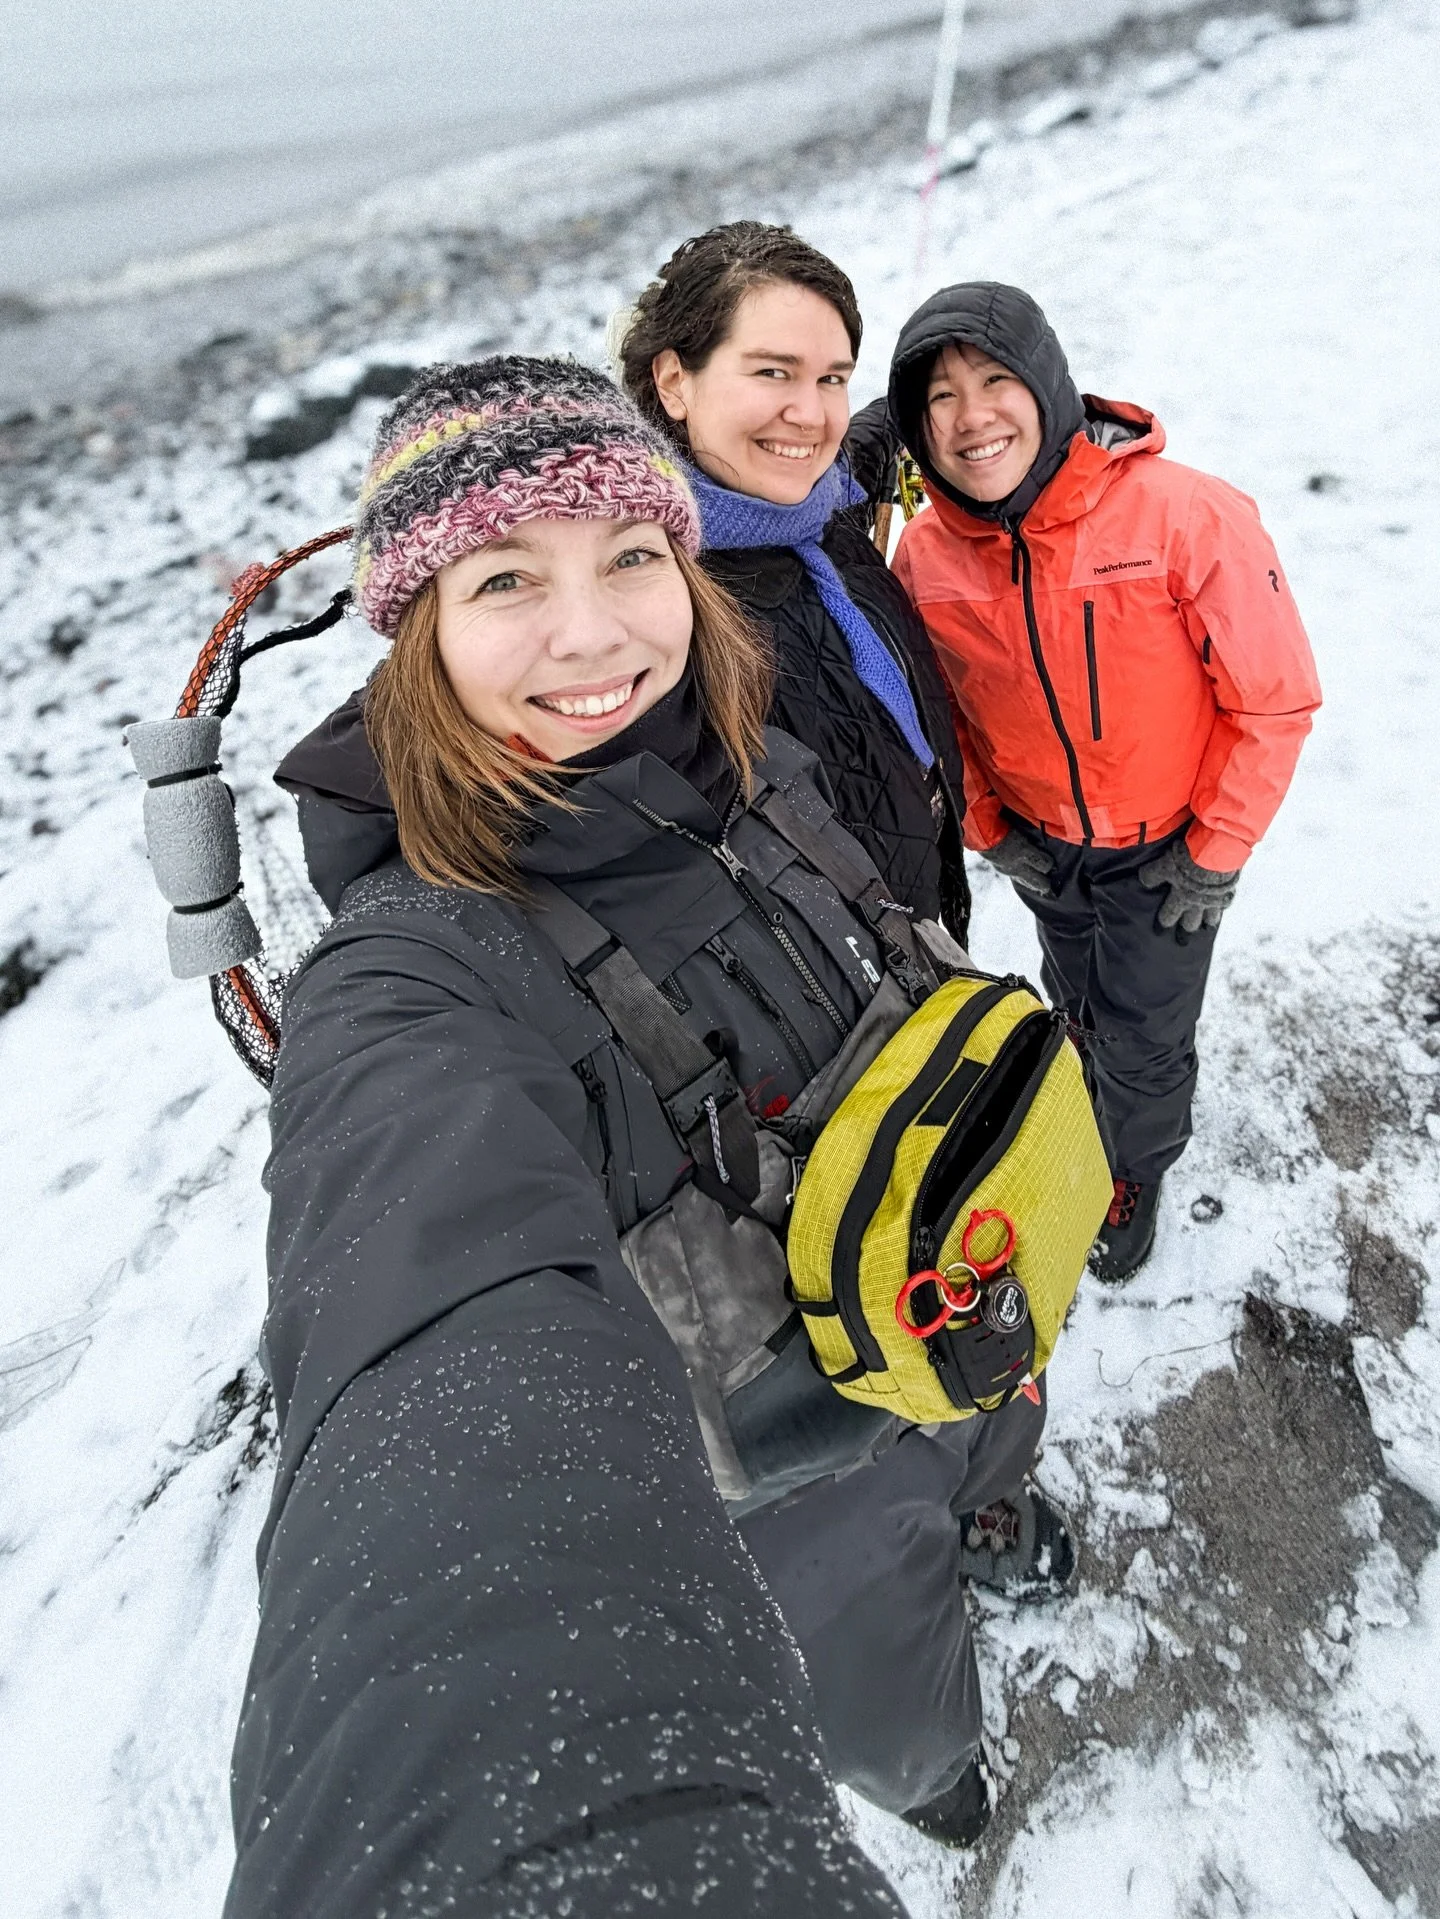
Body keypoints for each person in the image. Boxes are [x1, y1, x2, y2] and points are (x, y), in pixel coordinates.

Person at [235, 355, 1072, 1896]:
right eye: (506, 578)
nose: (593, 630)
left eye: (631, 553)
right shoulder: (419, 975)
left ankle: (994, 1509)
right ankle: (940, 1778)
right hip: (798, 1469)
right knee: (885, 1675)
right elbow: (433, 1380)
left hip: (952, 1280)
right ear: (418, 629)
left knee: (988, 1424)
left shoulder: (738, 746)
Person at [887, 284, 1322, 1281]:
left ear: (1046, 381)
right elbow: (939, 714)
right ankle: (1085, 1109)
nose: (971, 416)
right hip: (1045, 851)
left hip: (1169, 853)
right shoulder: (925, 553)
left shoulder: (1186, 515)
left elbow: (1275, 701)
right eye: (940, 397)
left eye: (994, 380)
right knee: (1076, 1001)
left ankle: (1133, 1164)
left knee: (1146, 1034)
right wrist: (992, 829)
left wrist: (1215, 852)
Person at [615, 219, 971, 942]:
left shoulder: (821, 503)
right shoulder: (644, 601)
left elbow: (869, 437)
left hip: (929, 908)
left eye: (831, 378)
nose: (810, 416)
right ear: (674, 380)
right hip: (831, 975)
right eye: (772, 372)